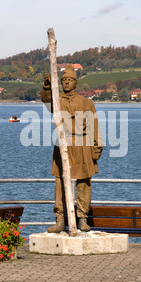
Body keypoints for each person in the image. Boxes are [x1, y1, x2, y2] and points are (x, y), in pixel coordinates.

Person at [41, 64, 103, 233]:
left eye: (70, 80)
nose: (66, 83)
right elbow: (47, 101)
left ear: (76, 83)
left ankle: (82, 218)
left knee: (84, 183)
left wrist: (97, 147)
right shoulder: (57, 99)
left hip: (83, 146)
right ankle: (60, 219)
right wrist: (47, 87)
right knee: (60, 182)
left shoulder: (86, 102)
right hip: (63, 145)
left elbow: (94, 125)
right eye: (64, 81)